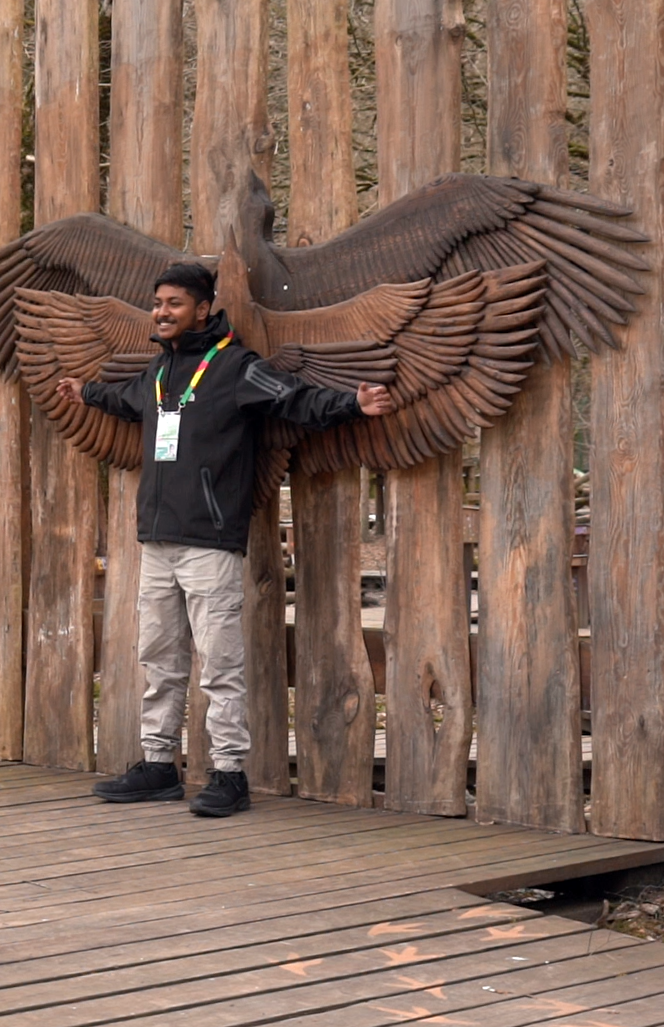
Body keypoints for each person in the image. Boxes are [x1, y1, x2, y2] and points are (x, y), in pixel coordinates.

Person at [55, 262, 394, 817]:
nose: (162, 312)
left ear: (203, 309)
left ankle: (229, 774)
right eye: (158, 302)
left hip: (211, 542)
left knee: (220, 664)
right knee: (159, 658)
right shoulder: (158, 373)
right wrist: (86, 393)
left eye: (175, 303)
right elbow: (124, 400)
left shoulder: (235, 366)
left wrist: (352, 404)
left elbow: (296, 399)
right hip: (157, 541)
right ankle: (159, 766)